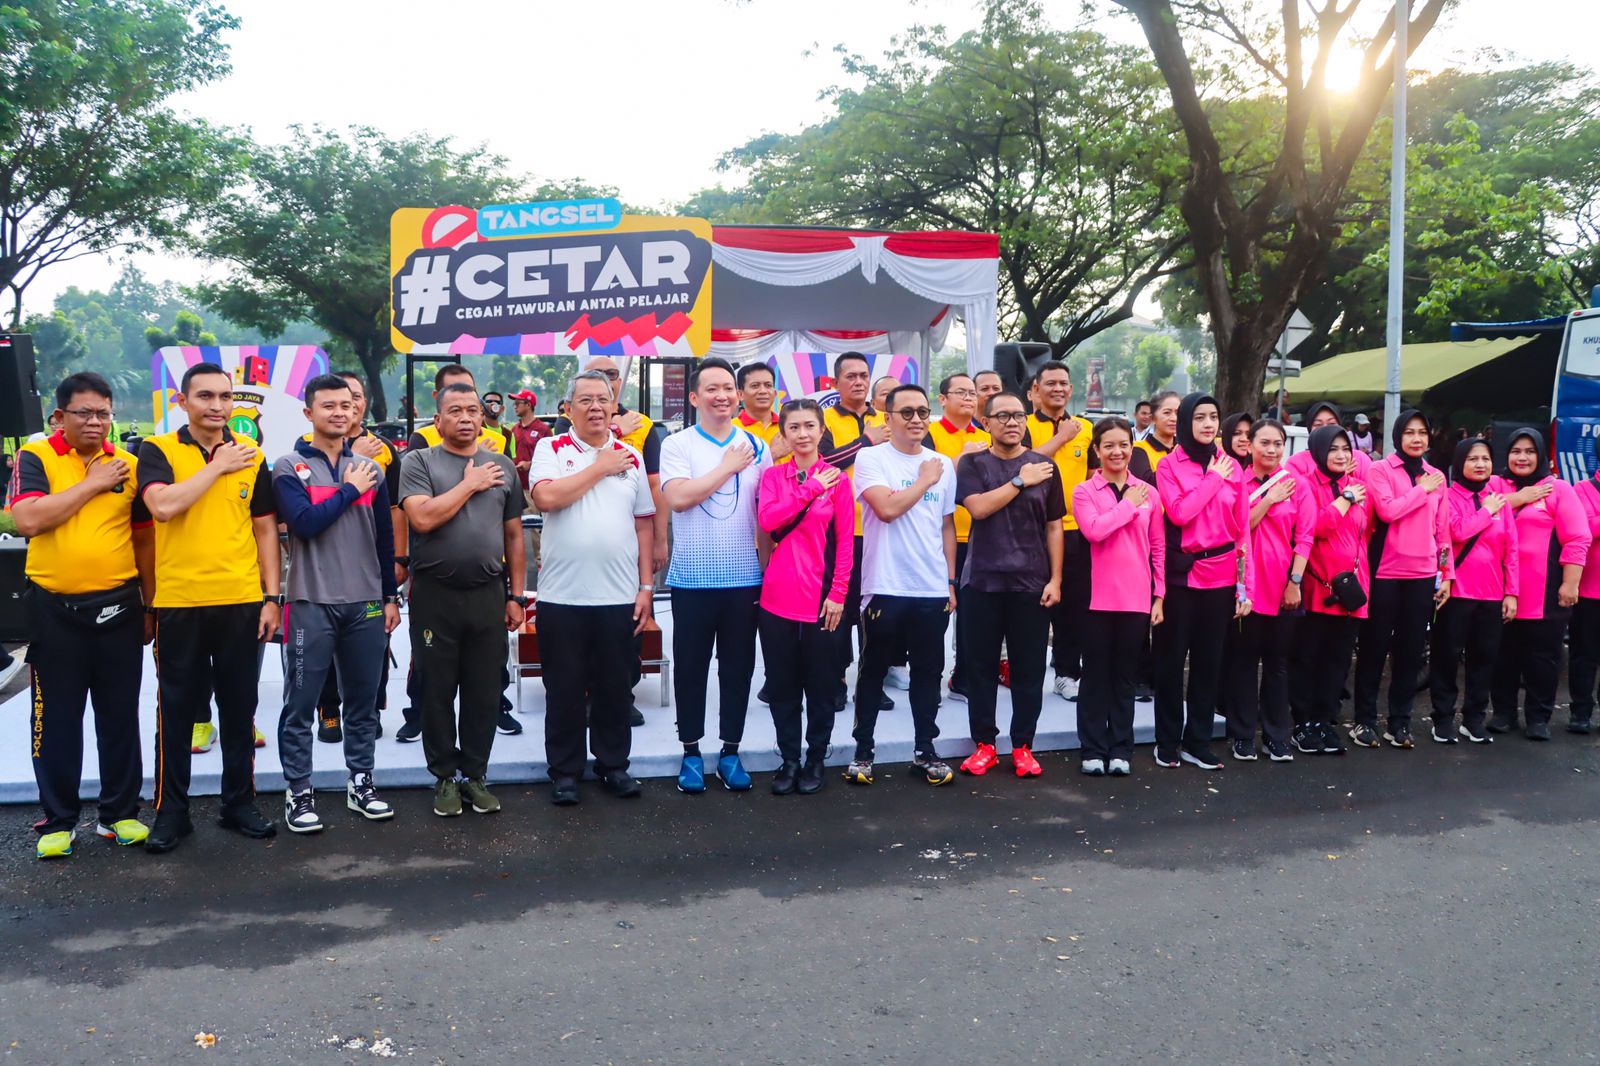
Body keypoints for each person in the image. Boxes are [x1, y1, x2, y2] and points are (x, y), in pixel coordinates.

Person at [137, 362, 282, 853]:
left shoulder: (252, 456)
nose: (217, 406)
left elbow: (265, 529)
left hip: (240, 600)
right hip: (179, 601)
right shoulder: (157, 450)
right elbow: (162, 507)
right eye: (205, 396)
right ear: (182, 401)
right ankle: (171, 812)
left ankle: (238, 804)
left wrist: (271, 596)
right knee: (176, 712)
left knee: (239, 710)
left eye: (224, 397)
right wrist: (217, 465)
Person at [10, 373, 154, 858]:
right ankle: (59, 820)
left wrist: (150, 604)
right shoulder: (37, 457)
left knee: (119, 715)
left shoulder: (129, 466)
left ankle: (120, 814)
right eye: (85, 413)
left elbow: (144, 540)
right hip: (53, 610)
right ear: (60, 416)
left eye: (103, 413)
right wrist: (93, 484)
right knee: (56, 718)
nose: (96, 422)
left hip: (120, 607)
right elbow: (29, 519)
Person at [271, 374, 401, 833]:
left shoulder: (371, 470)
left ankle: (361, 782)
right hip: (311, 601)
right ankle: (299, 791)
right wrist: (349, 489)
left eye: (346, 405)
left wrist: (390, 595)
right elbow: (304, 523)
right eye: (329, 406)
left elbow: (384, 538)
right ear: (309, 413)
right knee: (300, 703)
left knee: (363, 702)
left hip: (365, 602)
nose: (340, 413)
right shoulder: (288, 467)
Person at [398, 383, 526, 817]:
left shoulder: (502, 465)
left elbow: (514, 535)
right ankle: (444, 778)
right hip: (435, 595)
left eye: (473, 410)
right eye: (455, 411)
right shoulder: (418, 462)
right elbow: (422, 517)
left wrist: (516, 595)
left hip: (488, 594)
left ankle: (475, 774)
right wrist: (470, 484)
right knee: (436, 689)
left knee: (484, 690)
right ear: (438, 421)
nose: (467, 417)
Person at [529, 370, 657, 805]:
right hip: (562, 597)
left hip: (619, 596)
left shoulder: (631, 455)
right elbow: (546, 498)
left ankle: (613, 765)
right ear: (568, 408)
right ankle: (565, 772)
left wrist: (646, 586)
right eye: (585, 400)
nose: (596, 407)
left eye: (603, 399)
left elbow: (644, 525)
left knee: (615, 688)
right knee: (563, 689)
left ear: (614, 405)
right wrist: (600, 467)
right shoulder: (551, 448)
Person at [658, 357, 771, 792]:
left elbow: (765, 515)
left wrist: (767, 569)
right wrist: (727, 466)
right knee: (691, 669)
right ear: (694, 397)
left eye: (728, 388)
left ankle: (730, 751)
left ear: (738, 395)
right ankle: (690, 751)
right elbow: (679, 498)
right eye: (712, 389)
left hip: (745, 580)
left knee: (738, 670)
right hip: (692, 579)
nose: (721, 396)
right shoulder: (678, 444)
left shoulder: (756, 445)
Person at [845, 383, 959, 786]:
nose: (916, 420)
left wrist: (950, 582)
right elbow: (887, 509)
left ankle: (925, 751)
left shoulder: (943, 464)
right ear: (887, 418)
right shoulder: (871, 457)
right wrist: (924, 480)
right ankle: (863, 752)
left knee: (928, 673)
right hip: (885, 585)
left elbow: (946, 525)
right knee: (873, 670)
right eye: (906, 412)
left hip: (931, 588)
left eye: (922, 412)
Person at [954, 391, 1063, 778]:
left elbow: (1054, 527)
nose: (1012, 422)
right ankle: (984, 744)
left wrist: (1056, 579)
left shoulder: (1045, 467)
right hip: (981, 582)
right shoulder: (973, 463)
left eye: (1018, 415)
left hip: (1031, 583)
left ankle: (1023, 746)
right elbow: (979, 508)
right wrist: (1020, 480)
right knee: (981, 668)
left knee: (1029, 669)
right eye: (1002, 416)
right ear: (986, 422)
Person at [756, 398, 854, 794]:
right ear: (783, 433)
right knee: (782, 687)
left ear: (821, 430)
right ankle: (789, 759)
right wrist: (811, 488)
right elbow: (769, 519)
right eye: (793, 427)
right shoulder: (773, 477)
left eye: (809, 426)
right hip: (777, 598)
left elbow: (845, 542)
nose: (802, 434)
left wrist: (839, 593)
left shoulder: (839, 480)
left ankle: (816, 758)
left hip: (822, 600)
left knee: (821, 686)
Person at [1152, 392, 1249, 771]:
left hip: (1221, 577)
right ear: (1186, 422)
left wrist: (1244, 585)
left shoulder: (1232, 465)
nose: (1208, 424)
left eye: (1213, 417)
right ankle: (1167, 742)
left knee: (1209, 665)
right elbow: (1180, 513)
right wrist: (1212, 479)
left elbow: (1243, 530)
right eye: (1200, 417)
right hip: (1182, 578)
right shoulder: (1168, 465)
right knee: (1170, 664)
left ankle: (1198, 742)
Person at [1350, 410, 1453, 749]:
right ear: (1398, 436)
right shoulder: (1381, 469)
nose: (1416, 439)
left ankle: (1400, 723)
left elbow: (1443, 532)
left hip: (1423, 574)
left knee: (1410, 653)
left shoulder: (1437, 476)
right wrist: (1421, 490)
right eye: (1409, 432)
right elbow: (1388, 511)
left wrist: (1446, 574)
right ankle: (1364, 721)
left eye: (1422, 432)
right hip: (1385, 572)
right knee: (1373, 648)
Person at [1073, 416, 1163, 776]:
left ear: (1132, 447)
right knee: (1095, 676)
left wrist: (1160, 595)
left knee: (1125, 678)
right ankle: (1093, 749)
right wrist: (1126, 504)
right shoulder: (1085, 491)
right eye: (1109, 445)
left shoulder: (1149, 493)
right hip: (1097, 598)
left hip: (1137, 598)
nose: (1117, 451)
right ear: (1097, 450)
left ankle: (1121, 749)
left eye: (1124, 444)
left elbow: (1158, 546)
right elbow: (1095, 531)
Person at [314, 370, 397, 745]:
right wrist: (355, 461)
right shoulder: (305, 448)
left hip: (369, 570)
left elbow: (393, 513)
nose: (346, 407)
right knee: (323, 646)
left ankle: (369, 710)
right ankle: (329, 711)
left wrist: (398, 562)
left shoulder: (384, 449)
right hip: (322, 569)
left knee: (374, 644)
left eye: (355, 398)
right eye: (336, 400)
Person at [1489, 429, 1587, 740]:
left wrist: (1570, 583)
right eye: (1516, 451)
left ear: (1541, 455)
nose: (1522, 457)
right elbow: (1476, 512)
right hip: (1497, 589)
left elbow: (1577, 538)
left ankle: (1538, 717)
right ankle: (1503, 713)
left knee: (1543, 657)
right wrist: (1519, 498)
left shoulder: (1557, 489)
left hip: (1543, 592)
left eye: (1530, 451)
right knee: (1502, 655)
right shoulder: (1494, 485)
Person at [1226, 419, 1312, 762]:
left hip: (1282, 586)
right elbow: (1237, 528)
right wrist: (1268, 499)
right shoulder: (1238, 482)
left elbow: (1305, 538)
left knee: (1278, 663)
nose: (1272, 449)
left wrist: (1295, 582)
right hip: (1245, 587)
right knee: (1244, 663)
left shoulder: (1297, 485)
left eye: (1278, 443)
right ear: (1249, 446)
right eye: (1265, 442)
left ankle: (1277, 736)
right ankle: (1242, 735)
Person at [1430, 438, 1517, 744]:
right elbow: (1455, 532)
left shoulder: (1499, 501)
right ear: (1459, 463)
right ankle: (1442, 719)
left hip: (1492, 594)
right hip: (1456, 593)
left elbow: (1511, 550)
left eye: (1485, 458)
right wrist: (1486, 511)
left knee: (1484, 659)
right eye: (1473, 458)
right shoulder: (1448, 496)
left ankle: (1474, 719)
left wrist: (1512, 592)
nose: (1480, 464)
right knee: (1446, 658)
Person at [820, 352, 891, 709]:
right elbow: (822, 464)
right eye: (850, 376)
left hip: (882, 528)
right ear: (835, 383)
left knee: (875, 612)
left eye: (864, 375)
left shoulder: (887, 418)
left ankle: (871, 683)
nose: (859, 381)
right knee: (837, 609)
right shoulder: (824, 419)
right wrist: (865, 441)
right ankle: (834, 681)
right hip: (838, 531)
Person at [1023, 361, 1096, 701]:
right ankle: (1028, 675)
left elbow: (1094, 476)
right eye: (1050, 383)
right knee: (1033, 607)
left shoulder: (1086, 428)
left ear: (1071, 388)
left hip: (1076, 531)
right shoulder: (1023, 425)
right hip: (1033, 530)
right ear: (1036, 390)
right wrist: (1062, 438)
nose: (1058, 389)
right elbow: (1021, 466)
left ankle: (1067, 673)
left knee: (1074, 607)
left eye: (1063, 383)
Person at [1297, 426, 1371, 755]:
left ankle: (1324, 721)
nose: (1341, 455)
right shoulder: (1306, 485)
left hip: (1351, 588)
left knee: (1338, 661)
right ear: (1318, 451)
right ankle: (1302, 723)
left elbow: (1365, 532)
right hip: (1317, 585)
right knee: (1308, 657)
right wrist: (1344, 500)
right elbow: (1316, 527)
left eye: (1346, 449)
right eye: (1333, 449)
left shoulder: (1357, 486)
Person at [925, 373, 991, 703]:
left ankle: (964, 677)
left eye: (972, 393)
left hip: (980, 537)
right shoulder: (930, 433)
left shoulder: (987, 435)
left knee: (973, 615)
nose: (968, 398)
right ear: (942, 399)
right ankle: (928, 679)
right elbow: (924, 481)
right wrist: (961, 457)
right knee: (936, 612)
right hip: (938, 536)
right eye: (961, 392)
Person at [1569, 465, 1600, 734]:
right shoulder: (1582, 489)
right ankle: (1580, 712)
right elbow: (1583, 529)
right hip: (1588, 589)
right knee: (1584, 655)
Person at [735, 362, 790, 461]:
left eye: (768, 385)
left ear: (775, 393)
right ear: (740, 395)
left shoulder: (789, 427)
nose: (763, 391)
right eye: (755, 386)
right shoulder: (730, 429)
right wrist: (772, 454)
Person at [1132, 390, 1178, 483]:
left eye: (1178, 413)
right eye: (1167, 413)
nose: (1174, 418)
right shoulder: (1138, 449)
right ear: (1152, 418)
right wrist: (1175, 459)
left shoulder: (1185, 447)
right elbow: (1145, 484)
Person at [507, 388, 551, 481]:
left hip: (536, 482)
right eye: (514, 404)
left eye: (518, 403)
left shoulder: (544, 429)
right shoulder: (514, 429)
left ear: (528, 405)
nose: (515, 407)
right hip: (516, 483)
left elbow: (550, 458)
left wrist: (530, 464)